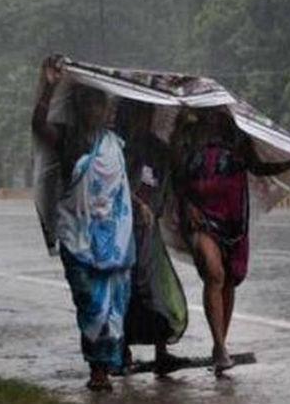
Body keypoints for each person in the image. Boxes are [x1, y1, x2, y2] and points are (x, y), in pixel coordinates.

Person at [172, 108, 290, 374]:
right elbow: (176, 175)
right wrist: (188, 205)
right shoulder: (188, 133)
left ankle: (221, 342)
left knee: (229, 279)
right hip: (199, 217)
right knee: (214, 274)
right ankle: (219, 348)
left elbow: (257, 167)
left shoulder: (236, 134)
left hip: (232, 221)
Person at [32, 65, 134, 392]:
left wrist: (141, 207)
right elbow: (38, 125)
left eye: (100, 104)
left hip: (115, 241)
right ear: (78, 107)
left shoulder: (114, 143)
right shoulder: (68, 139)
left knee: (114, 305)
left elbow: (119, 188)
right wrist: (48, 87)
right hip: (76, 237)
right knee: (90, 302)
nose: (96, 110)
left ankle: (102, 368)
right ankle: (97, 365)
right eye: (89, 104)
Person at [115, 100, 189, 375]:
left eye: (147, 113)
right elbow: (114, 184)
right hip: (123, 231)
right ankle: (122, 351)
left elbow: (173, 170)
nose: (143, 119)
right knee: (128, 290)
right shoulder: (118, 147)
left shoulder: (157, 148)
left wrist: (180, 126)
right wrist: (137, 204)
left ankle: (161, 350)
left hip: (149, 232)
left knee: (157, 291)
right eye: (138, 112)